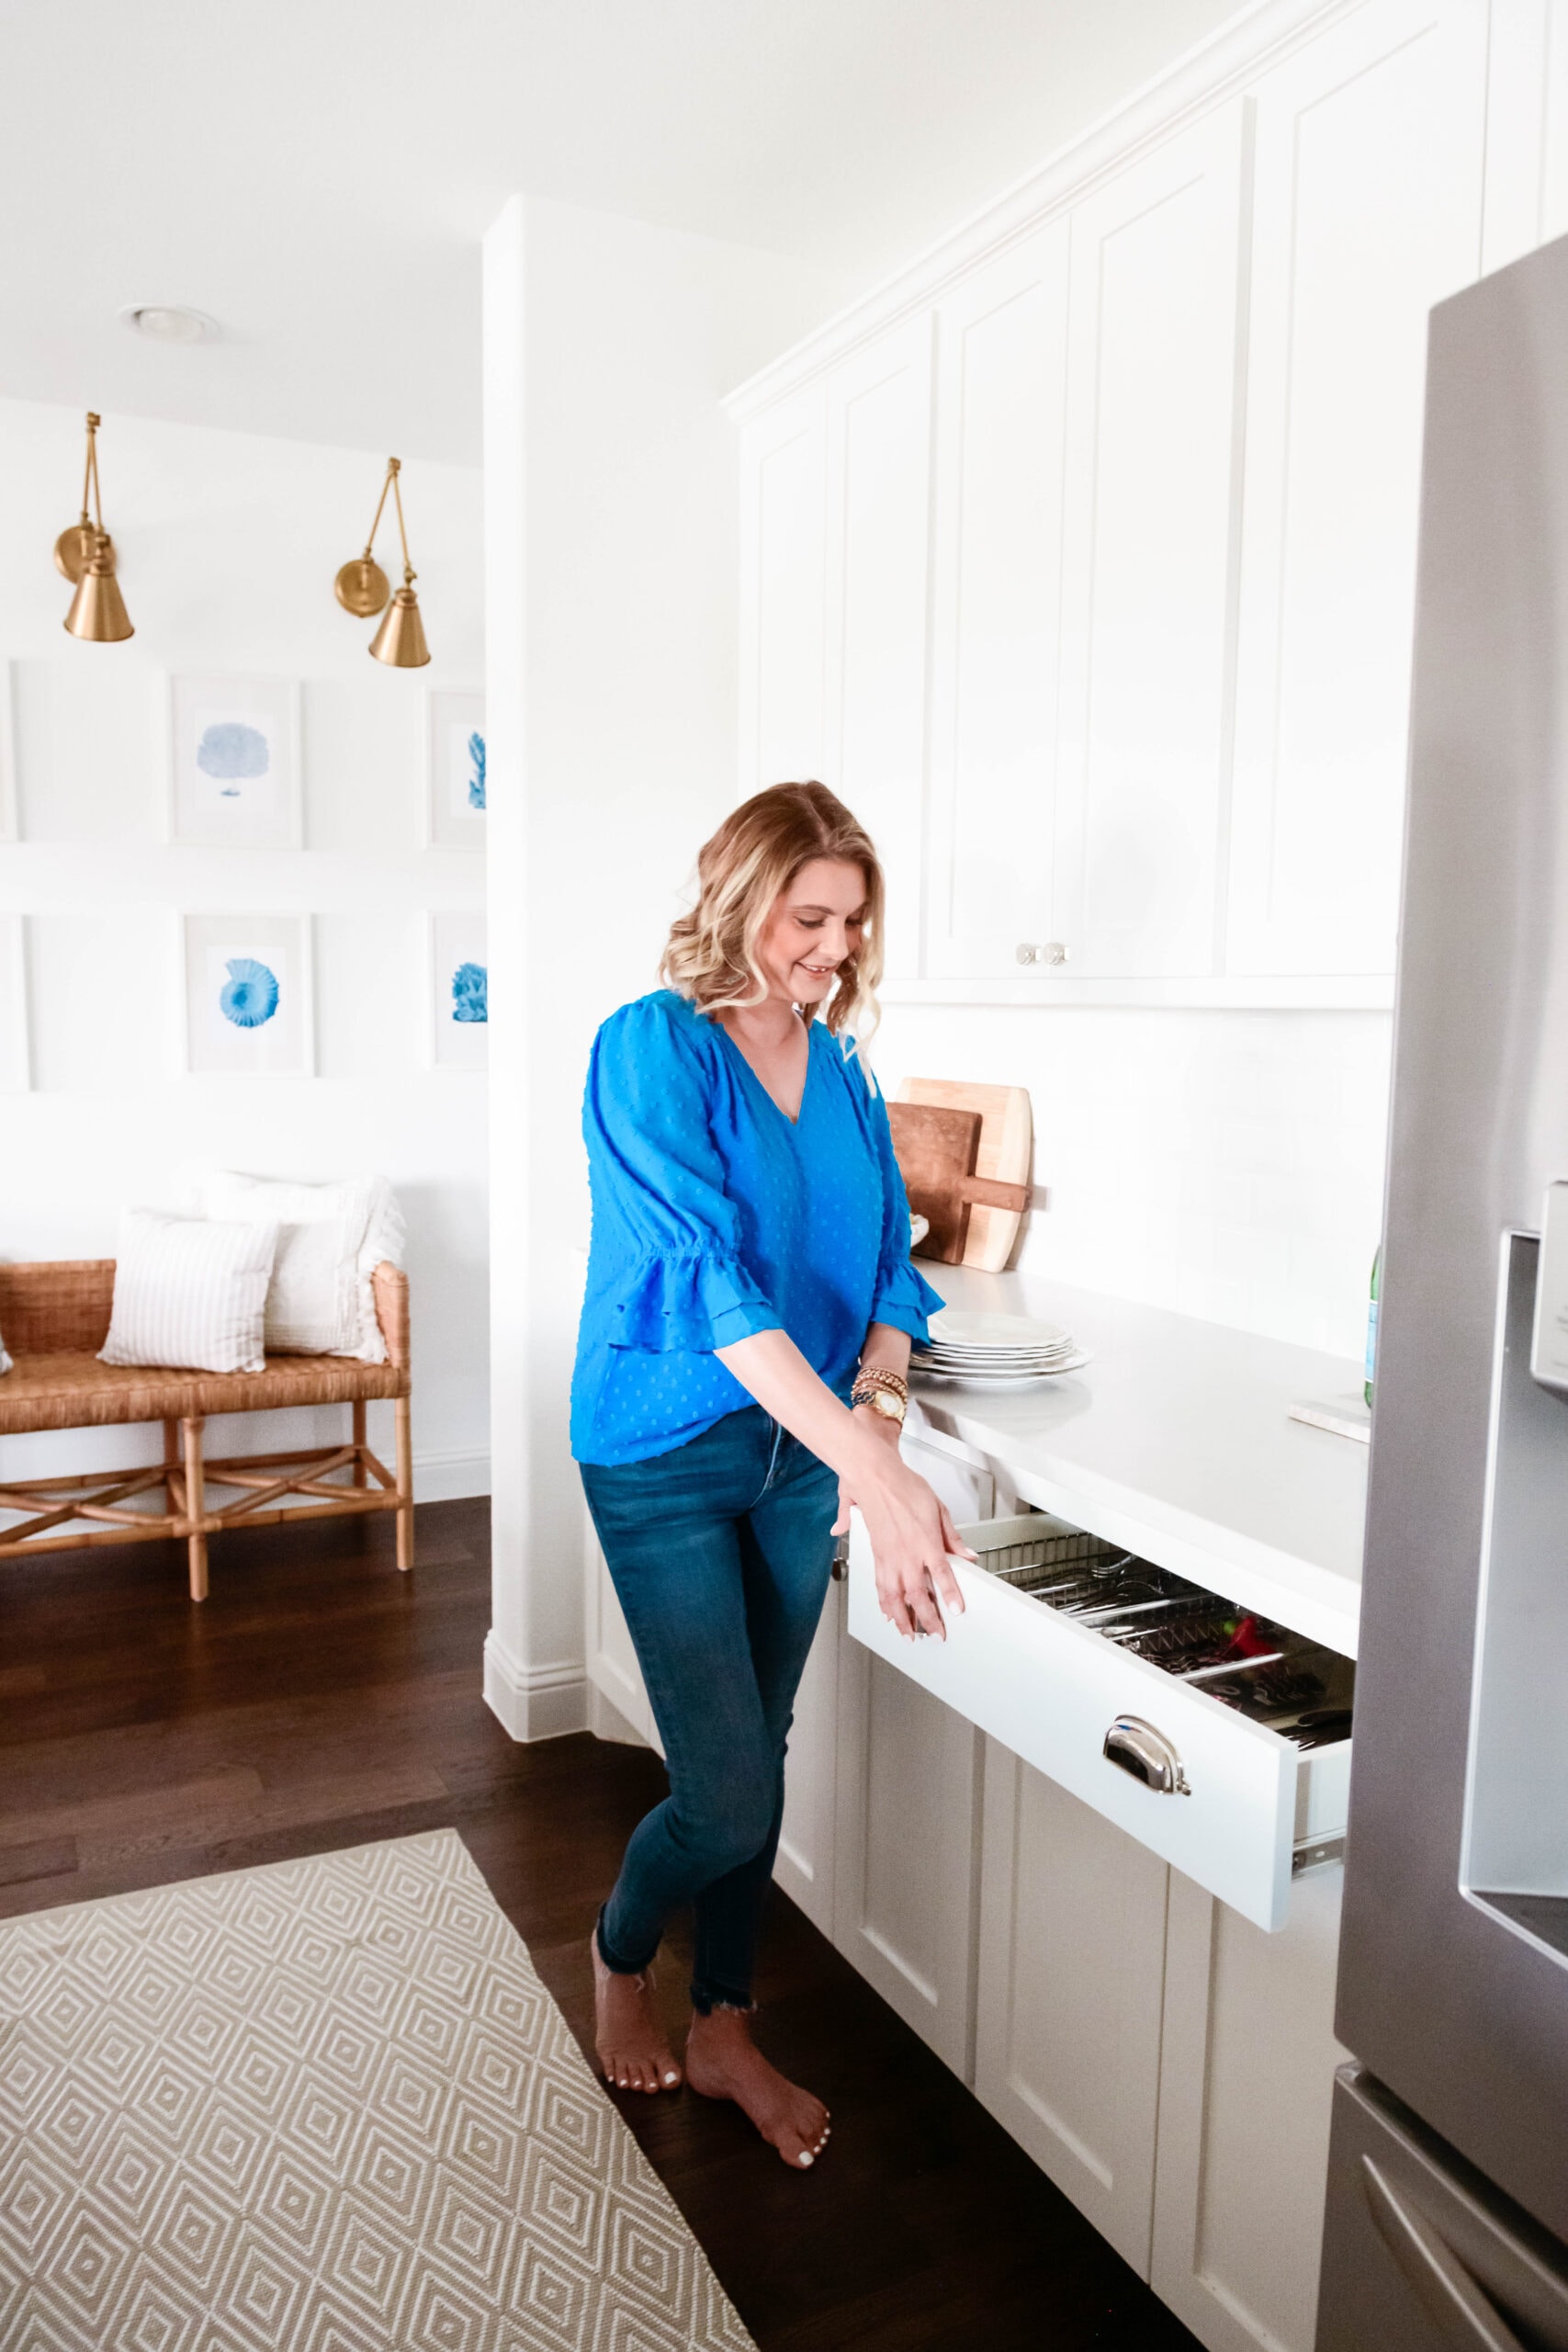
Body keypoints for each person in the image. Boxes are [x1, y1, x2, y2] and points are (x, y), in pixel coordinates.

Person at [570, 780, 977, 2171]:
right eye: (811, 916)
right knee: (728, 1790)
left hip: (797, 1460)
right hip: (666, 1455)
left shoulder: (849, 1075)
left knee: (765, 1747)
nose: (835, 948)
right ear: (737, 895)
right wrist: (876, 1467)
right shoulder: (651, 1053)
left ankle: (727, 2022)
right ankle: (623, 1952)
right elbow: (718, 1290)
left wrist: (875, 1402)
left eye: (853, 923)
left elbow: (883, 1275)